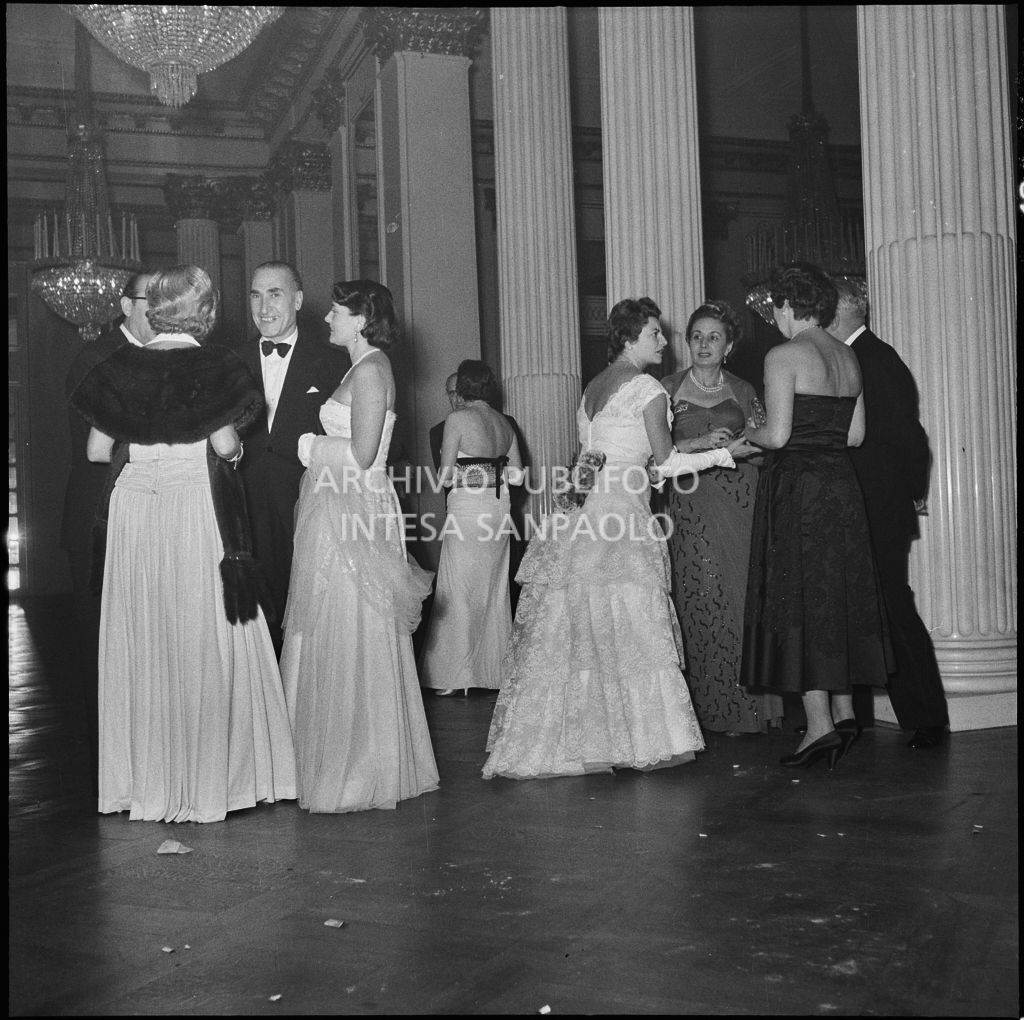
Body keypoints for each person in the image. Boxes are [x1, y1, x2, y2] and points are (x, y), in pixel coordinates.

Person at [69, 265, 296, 822]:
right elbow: (223, 444)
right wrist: (233, 454)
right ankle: (209, 779)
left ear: (157, 311)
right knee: (200, 634)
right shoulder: (216, 364)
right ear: (206, 313)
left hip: (136, 509)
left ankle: (143, 782)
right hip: (190, 506)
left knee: (144, 634)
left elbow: (99, 452)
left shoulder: (119, 364)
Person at [482, 297, 741, 780]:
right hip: (622, 516)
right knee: (632, 625)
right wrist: (724, 456)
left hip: (588, 512)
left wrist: (696, 444)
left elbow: (606, 454)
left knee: (582, 627)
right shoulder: (647, 388)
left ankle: (589, 738)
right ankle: (643, 739)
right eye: (653, 334)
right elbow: (662, 466)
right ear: (628, 339)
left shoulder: (593, 389)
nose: (664, 341)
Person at [280, 279, 439, 812]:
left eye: (336, 312)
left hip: (354, 510)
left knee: (351, 626)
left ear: (362, 319)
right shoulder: (361, 367)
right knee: (332, 624)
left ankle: (354, 768)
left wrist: (307, 446)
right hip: (339, 506)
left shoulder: (371, 370)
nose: (327, 318)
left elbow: (367, 453)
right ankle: (328, 759)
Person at [740, 262, 891, 770]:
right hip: (840, 487)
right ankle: (843, 715)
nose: (775, 321)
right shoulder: (847, 356)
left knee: (798, 597)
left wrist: (746, 434)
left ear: (786, 307)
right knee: (837, 595)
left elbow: (777, 435)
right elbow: (855, 436)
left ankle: (819, 727)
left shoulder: (785, 354)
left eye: (775, 311)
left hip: (798, 487)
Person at [829, 276, 949, 749]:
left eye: (825, 311)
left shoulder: (874, 358)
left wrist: (912, 492)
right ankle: (856, 715)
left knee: (892, 608)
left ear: (842, 313)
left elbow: (907, 436)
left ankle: (927, 718)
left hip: (879, 507)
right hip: (866, 505)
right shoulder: (857, 357)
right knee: (867, 609)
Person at [660, 300, 783, 735]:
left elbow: (769, 444)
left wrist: (745, 445)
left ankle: (743, 710)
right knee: (696, 597)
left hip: (739, 500)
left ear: (728, 345)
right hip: (691, 503)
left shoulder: (744, 389)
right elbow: (651, 456)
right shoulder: (667, 388)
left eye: (714, 337)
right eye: (697, 337)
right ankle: (704, 710)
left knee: (737, 598)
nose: (704, 344)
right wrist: (702, 445)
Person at [61, 271, 155, 791]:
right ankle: (111, 773)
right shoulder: (97, 359)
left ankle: (134, 761)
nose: (157, 311)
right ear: (124, 305)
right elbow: (97, 447)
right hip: (97, 516)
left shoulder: (145, 356)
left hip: (129, 516)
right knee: (101, 646)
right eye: (148, 302)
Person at [237, 261, 348, 653]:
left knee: (306, 612)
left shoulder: (333, 362)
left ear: (298, 300)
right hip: (243, 504)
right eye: (255, 294)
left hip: (306, 502)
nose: (263, 306)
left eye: (275, 293)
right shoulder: (231, 360)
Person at [419, 360, 524, 696]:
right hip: (497, 510)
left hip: (467, 509)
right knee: (493, 591)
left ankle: (455, 677)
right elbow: (520, 476)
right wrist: (490, 470)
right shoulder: (504, 423)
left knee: (458, 588)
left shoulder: (457, 419)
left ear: (462, 387)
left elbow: (446, 477)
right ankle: (494, 673)